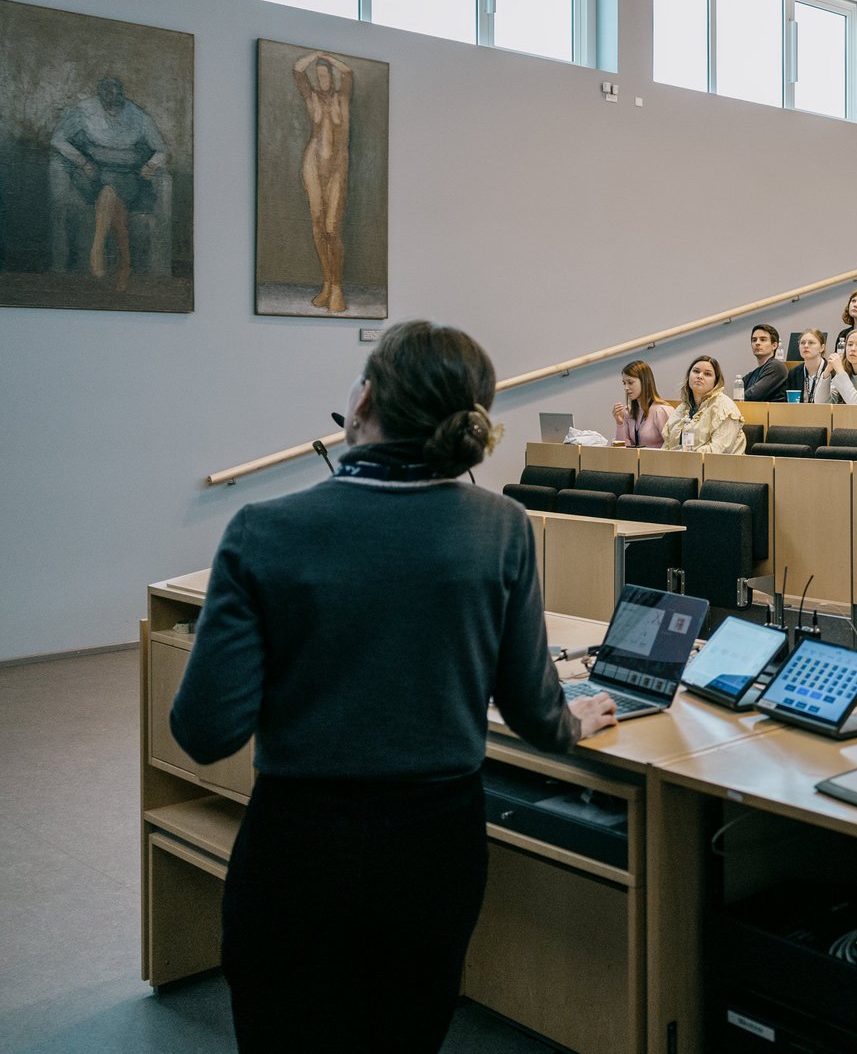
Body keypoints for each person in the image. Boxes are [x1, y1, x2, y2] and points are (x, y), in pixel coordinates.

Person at [169, 320, 617, 1052]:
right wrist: (580, 720)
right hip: (434, 851)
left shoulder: (263, 530)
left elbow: (205, 729)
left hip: (298, 848)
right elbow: (538, 715)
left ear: (366, 398)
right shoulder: (501, 528)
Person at [50, 76, 168, 291]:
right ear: (100, 93)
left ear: (122, 95)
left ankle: (98, 247)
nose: (112, 99)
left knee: (110, 191)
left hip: (128, 174)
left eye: (116, 94)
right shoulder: (85, 110)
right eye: (107, 94)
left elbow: (161, 149)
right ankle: (125, 263)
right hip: (92, 172)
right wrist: (82, 161)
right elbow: (58, 139)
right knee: (110, 194)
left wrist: (150, 166)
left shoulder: (136, 115)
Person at [293, 51, 355, 312]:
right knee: (318, 226)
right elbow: (297, 70)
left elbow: (348, 73)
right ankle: (327, 284)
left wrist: (327, 58)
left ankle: (338, 286)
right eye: (318, 76)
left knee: (332, 227)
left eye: (326, 74)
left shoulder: (343, 98)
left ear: (331, 76)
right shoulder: (312, 97)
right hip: (312, 163)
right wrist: (315, 55)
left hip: (337, 166)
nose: (323, 79)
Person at [665, 355, 747, 453]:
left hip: (719, 466)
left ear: (715, 382)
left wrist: (683, 456)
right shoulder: (682, 407)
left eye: (707, 374)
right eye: (696, 371)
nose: (699, 376)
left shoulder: (726, 407)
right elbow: (667, 444)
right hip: (680, 465)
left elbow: (718, 451)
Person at [611, 359, 672, 447]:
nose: (626, 388)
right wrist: (620, 423)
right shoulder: (629, 411)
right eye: (624, 383)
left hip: (657, 460)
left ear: (644, 381)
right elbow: (623, 450)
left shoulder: (661, 411)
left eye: (630, 382)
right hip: (635, 460)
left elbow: (673, 446)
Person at [742, 324, 789, 402]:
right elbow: (738, 394)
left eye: (763, 340)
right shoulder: (750, 375)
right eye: (754, 340)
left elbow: (753, 395)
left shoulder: (776, 367)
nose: (757, 343)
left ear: (774, 345)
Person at [786, 329, 833, 403]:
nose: (806, 346)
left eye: (811, 343)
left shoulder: (832, 371)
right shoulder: (794, 373)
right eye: (802, 343)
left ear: (822, 348)